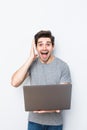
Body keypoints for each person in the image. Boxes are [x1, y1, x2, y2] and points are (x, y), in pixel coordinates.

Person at [11, 30, 71, 130]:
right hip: (34, 122)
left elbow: (62, 103)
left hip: (55, 124)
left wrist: (43, 110)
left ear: (53, 46)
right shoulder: (32, 64)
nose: (44, 48)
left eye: (48, 44)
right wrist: (31, 58)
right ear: (36, 47)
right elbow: (14, 82)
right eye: (40, 44)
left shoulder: (62, 66)